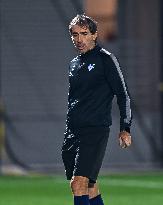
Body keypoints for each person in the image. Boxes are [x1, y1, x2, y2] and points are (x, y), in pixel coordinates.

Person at [61, 14, 132, 205]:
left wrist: (125, 128)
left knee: (79, 185)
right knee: (89, 188)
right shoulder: (74, 64)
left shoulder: (106, 60)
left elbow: (123, 94)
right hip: (72, 132)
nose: (79, 39)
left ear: (94, 35)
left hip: (94, 130)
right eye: (75, 35)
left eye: (84, 34)